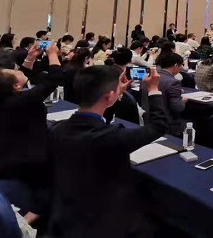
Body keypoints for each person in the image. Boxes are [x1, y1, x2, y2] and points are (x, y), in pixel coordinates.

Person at [49, 65, 168, 238]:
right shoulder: (112, 137)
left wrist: (114, 95)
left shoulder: (57, 128)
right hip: (108, 219)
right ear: (109, 96)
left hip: (68, 210)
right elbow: (159, 126)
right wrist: (154, 90)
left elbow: (100, 112)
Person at [0, 43, 63, 220]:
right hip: (26, 160)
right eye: (14, 72)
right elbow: (54, 79)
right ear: (16, 86)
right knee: (57, 175)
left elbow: (22, 78)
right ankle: (31, 217)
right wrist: (52, 54)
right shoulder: (22, 101)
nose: (17, 70)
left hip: (2, 153)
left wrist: (30, 58)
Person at [143, 52, 185, 136]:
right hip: (167, 123)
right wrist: (182, 100)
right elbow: (177, 108)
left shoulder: (148, 78)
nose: (182, 68)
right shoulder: (173, 82)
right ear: (176, 65)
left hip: (147, 119)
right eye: (181, 65)